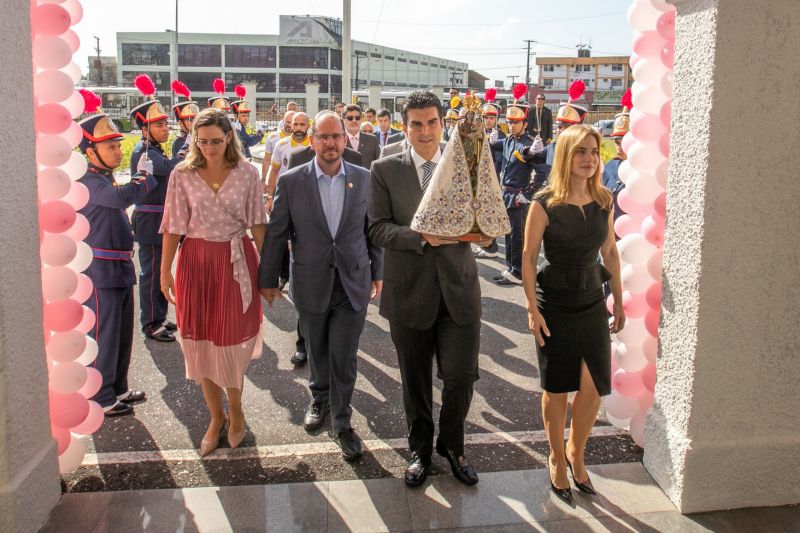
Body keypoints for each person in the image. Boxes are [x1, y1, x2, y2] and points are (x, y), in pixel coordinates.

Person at [369, 90, 481, 487]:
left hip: (459, 291)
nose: (425, 130)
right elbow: (377, 227)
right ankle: (419, 449)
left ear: (442, 123)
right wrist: (421, 237)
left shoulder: (466, 165)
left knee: (461, 378)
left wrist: (485, 234)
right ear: (405, 126)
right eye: (416, 123)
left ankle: (451, 445)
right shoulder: (385, 169)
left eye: (432, 121)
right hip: (409, 293)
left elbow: (488, 220)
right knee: (414, 381)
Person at [259, 111, 383, 462]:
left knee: (344, 356)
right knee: (317, 350)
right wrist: (269, 278)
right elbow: (277, 232)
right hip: (310, 280)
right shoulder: (292, 181)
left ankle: (342, 422)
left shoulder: (363, 178)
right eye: (323, 136)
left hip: (352, 281)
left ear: (345, 140)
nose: (330, 143)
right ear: (312, 140)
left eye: (336, 136)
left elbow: (373, 229)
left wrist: (378, 271)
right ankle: (319, 398)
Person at [521, 124, 625, 506]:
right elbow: (529, 260)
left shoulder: (604, 199)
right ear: (566, 155)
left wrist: (620, 299)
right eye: (580, 151)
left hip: (592, 301)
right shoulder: (544, 202)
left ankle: (576, 452)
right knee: (558, 386)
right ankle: (555, 457)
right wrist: (533, 310)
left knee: (593, 385)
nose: (589, 159)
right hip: (555, 302)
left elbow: (610, 252)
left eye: (594, 152)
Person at [160, 108, 267, 457]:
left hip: (236, 261)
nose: (209, 148)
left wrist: (269, 273)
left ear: (229, 138)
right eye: (202, 142)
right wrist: (165, 271)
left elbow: (258, 224)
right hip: (196, 264)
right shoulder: (181, 174)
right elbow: (173, 226)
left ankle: (236, 410)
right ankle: (215, 416)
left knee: (232, 342)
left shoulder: (248, 173)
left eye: (216, 141)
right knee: (199, 341)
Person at [76, 107, 156, 417]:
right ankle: (100, 396)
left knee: (123, 334)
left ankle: (117, 386)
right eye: (110, 146)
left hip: (119, 266)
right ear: (90, 151)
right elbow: (122, 199)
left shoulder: (104, 178)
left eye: (117, 144)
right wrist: (144, 177)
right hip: (101, 269)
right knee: (105, 335)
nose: (117, 150)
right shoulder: (88, 181)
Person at [129, 99, 183, 342]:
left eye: (165, 124)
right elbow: (169, 169)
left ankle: (159, 316)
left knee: (162, 270)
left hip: (159, 217)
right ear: (144, 129)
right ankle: (150, 322)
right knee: (152, 273)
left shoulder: (154, 149)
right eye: (159, 125)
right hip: (150, 219)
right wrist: (183, 154)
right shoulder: (145, 151)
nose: (165, 129)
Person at [489, 99, 545, 285]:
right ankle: (511, 268)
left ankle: (519, 272)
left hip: (518, 195)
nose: (511, 126)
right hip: (506, 194)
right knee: (509, 234)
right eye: (510, 122)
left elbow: (540, 168)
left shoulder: (527, 144)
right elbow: (493, 147)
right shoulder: (508, 141)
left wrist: (528, 193)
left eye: (516, 122)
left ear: (525, 124)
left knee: (517, 236)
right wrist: (491, 139)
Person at [474, 99, 506, 259]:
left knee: (489, 214)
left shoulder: (500, 136)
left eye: (491, 118)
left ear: (496, 119)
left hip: (491, 181)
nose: (488, 120)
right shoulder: (479, 131)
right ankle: (487, 246)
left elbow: (499, 161)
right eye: (486, 117)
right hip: (478, 179)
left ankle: (491, 247)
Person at [265, 112, 311, 214]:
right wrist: (270, 198)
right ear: (291, 125)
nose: (298, 128)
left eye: (302, 124)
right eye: (295, 124)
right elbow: (273, 172)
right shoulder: (281, 145)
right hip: (284, 196)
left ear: (308, 125)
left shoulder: (315, 145)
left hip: (309, 199)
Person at [262, 110, 294, 191]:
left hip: (295, 184)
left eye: (292, 122)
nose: (290, 125)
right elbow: (266, 160)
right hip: (277, 183)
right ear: (283, 121)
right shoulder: (273, 137)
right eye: (287, 122)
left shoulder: (301, 139)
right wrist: (263, 179)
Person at [343, 104, 381, 169]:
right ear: (343, 120)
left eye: (357, 118)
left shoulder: (372, 140)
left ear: (361, 120)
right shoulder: (338, 140)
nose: (354, 121)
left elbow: (379, 165)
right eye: (350, 118)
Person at [231, 96, 264, 161]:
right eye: (243, 116)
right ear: (235, 116)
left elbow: (246, 138)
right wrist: (259, 135)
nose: (247, 118)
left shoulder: (239, 126)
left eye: (248, 116)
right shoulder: (236, 128)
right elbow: (249, 141)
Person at [171, 93, 198, 160]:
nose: (195, 122)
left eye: (196, 118)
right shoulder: (179, 143)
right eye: (191, 120)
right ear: (180, 123)